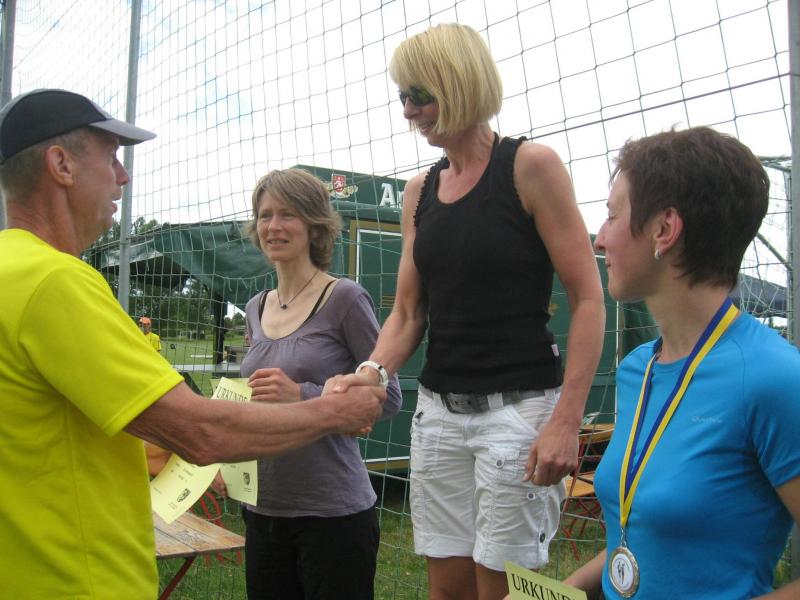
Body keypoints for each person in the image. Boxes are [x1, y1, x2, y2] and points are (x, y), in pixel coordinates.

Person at [0, 88, 384, 599]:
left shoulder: (11, 270)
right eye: (111, 156)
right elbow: (198, 432)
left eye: (288, 214)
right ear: (61, 165)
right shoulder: (55, 282)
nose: (123, 176)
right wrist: (332, 409)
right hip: (77, 578)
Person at [329, 23, 605, 600]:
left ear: (460, 84)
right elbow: (408, 313)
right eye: (403, 97)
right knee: (447, 588)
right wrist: (370, 373)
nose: (409, 111)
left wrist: (566, 420)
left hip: (518, 412)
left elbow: (587, 299)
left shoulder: (531, 167)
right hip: (438, 414)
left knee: (499, 588)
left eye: (420, 95)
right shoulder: (419, 192)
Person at [562, 127, 800, 599]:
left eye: (612, 215)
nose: (601, 239)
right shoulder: (637, 370)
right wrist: (556, 591)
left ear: (664, 230)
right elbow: (641, 541)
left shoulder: (775, 378)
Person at [238, 168, 403, 600]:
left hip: (332, 515)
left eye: (287, 214)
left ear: (314, 225)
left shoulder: (344, 298)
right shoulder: (255, 308)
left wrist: (302, 395)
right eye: (265, 215)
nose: (273, 226)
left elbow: (388, 397)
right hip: (262, 508)